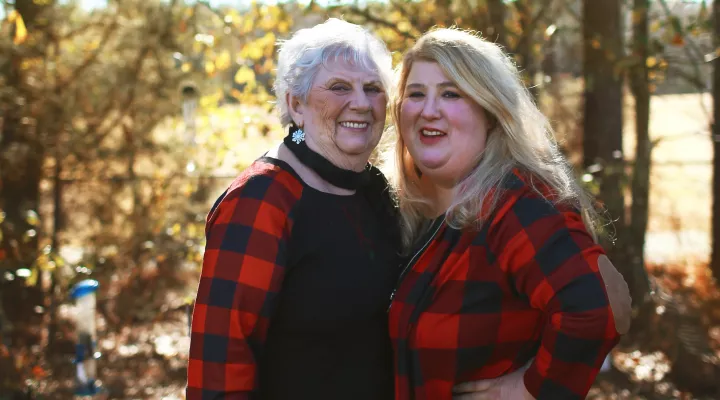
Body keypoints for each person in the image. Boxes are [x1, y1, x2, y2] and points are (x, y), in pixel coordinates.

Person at [384, 28, 633, 400]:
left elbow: (597, 308)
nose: (427, 109)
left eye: (451, 93)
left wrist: (531, 390)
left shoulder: (517, 202)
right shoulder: (413, 209)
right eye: (416, 94)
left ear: (491, 113)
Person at [186, 18, 401, 399]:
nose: (362, 103)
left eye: (372, 88)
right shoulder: (261, 200)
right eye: (339, 87)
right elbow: (217, 372)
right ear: (295, 104)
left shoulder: (375, 191)